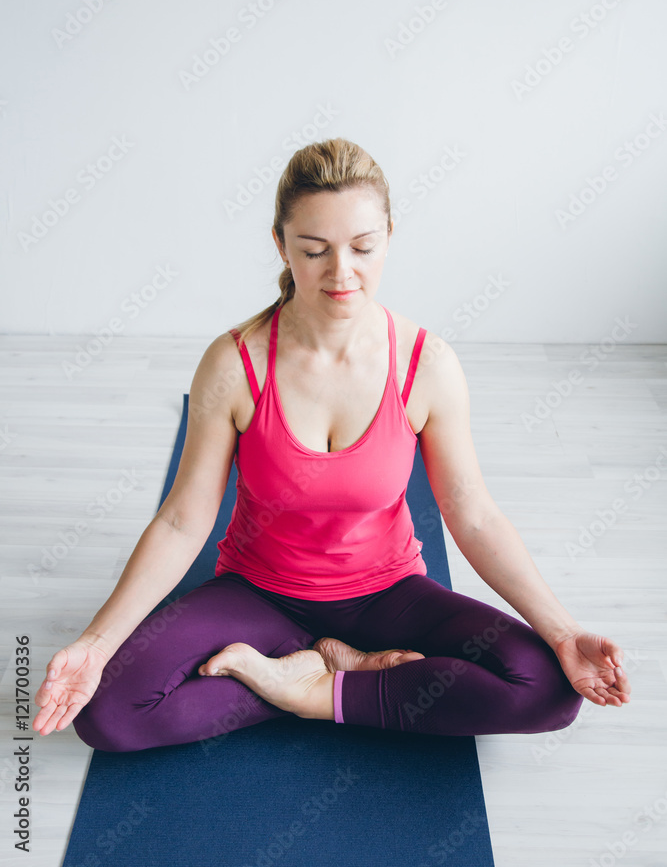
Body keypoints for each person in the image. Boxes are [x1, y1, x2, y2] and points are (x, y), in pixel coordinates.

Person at [32, 138, 631, 751]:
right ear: (280, 244)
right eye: (314, 250)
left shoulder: (428, 365)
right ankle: (331, 670)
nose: (341, 272)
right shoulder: (235, 364)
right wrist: (95, 643)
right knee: (109, 712)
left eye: (363, 248)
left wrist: (562, 633)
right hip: (259, 594)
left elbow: (472, 514)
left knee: (550, 689)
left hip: (387, 596)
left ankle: (311, 690)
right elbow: (184, 519)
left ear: (389, 236)